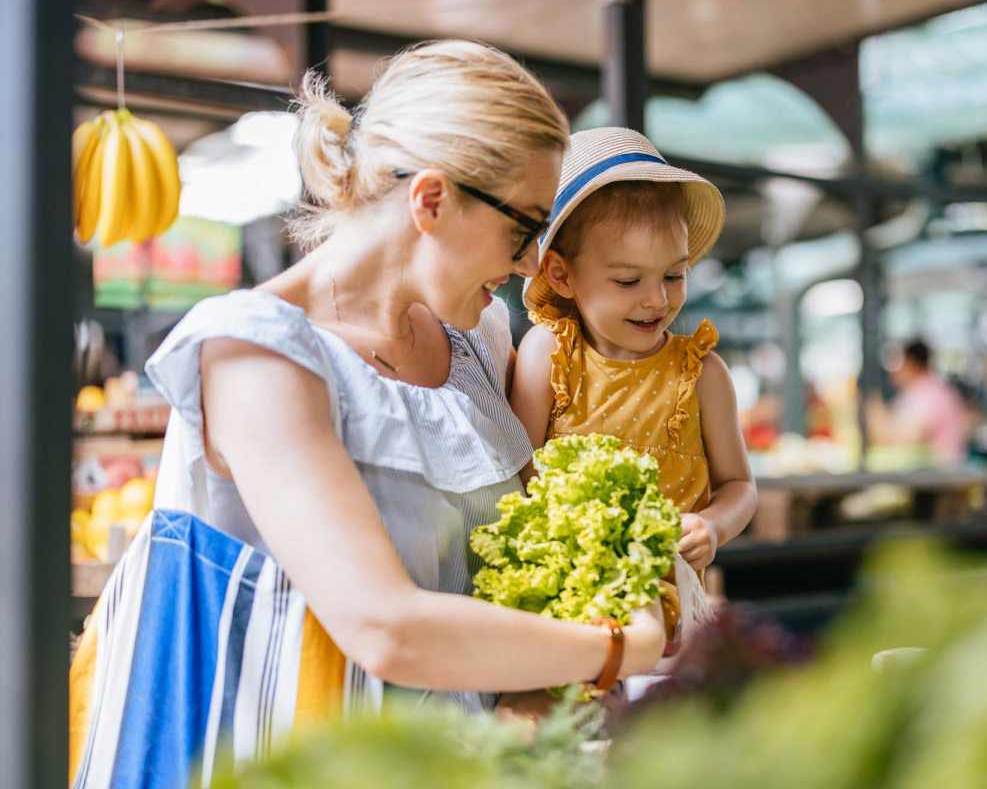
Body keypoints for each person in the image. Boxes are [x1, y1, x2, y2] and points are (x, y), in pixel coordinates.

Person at [70, 42, 664, 785]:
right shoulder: (256, 353)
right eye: (524, 228)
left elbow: (512, 569)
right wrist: (618, 646)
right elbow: (384, 626)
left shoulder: (477, 341)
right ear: (433, 200)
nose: (529, 265)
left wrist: (531, 688)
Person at [510, 127, 757, 578]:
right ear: (562, 275)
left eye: (674, 275)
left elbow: (740, 485)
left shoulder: (703, 374)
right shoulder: (547, 355)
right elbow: (517, 477)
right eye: (628, 281)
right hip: (575, 594)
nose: (657, 301)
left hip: (675, 597)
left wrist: (713, 526)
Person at [866, 339, 969, 464]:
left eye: (897, 363)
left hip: (938, 475)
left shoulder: (930, 394)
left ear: (911, 363)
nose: (892, 372)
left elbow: (893, 438)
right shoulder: (922, 390)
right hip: (931, 471)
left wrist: (872, 405)